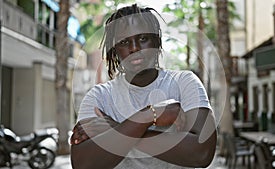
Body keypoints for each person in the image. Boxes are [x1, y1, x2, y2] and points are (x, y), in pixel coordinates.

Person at [70, 4, 217, 169]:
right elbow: (83, 164)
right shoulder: (99, 97)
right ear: (115, 50)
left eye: (143, 39)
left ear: (156, 41)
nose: (134, 48)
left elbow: (201, 153)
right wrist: (147, 116)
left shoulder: (184, 83)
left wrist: (116, 128)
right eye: (124, 42)